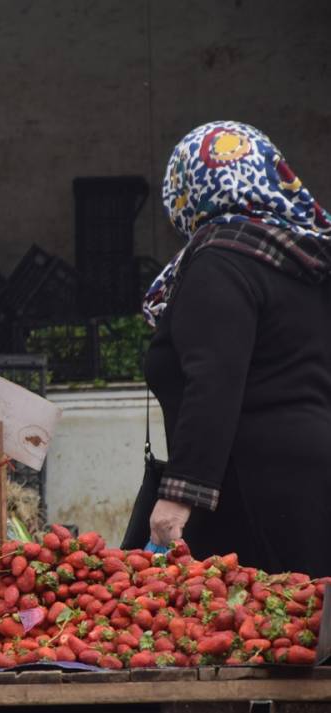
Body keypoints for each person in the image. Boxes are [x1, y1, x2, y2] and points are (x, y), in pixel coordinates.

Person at [140, 120, 331, 576]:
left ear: (188, 188)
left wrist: (179, 494)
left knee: (271, 634)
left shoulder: (220, 262)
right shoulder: (304, 258)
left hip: (253, 490)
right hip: (311, 474)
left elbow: (215, 382)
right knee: (309, 626)